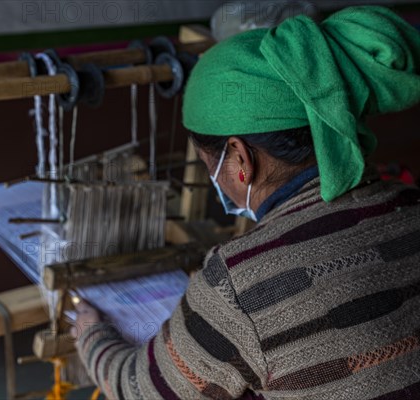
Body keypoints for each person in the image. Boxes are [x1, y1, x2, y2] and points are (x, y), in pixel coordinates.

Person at [72, 6, 420, 399]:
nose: (213, 177)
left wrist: (91, 334)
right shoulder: (410, 203)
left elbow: (139, 388)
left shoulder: (239, 284)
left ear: (239, 157)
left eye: (210, 164)